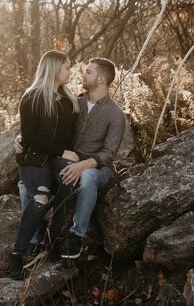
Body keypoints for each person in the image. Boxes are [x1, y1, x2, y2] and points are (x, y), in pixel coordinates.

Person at [15, 56, 125, 261]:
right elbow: (51, 129)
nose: (82, 74)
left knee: (87, 177)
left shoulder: (115, 114)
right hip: (68, 161)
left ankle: (76, 235)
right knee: (26, 184)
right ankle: (36, 238)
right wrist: (23, 136)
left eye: (89, 72)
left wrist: (82, 166)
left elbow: (109, 154)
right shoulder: (76, 102)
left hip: (96, 167)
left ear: (101, 79)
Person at [8, 50, 80, 280]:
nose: (70, 71)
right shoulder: (32, 96)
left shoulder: (69, 99)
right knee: (41, 198)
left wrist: (69, 155)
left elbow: (71, 135)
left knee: (72, 178)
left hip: (56, 159)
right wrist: (61, 151)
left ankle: (53, 237)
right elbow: (29, 136)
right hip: (33, 157)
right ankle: (18, 254)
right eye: (67, 67)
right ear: (54, 68)